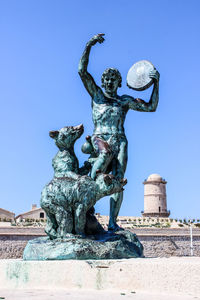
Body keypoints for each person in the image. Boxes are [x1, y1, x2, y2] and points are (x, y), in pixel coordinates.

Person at [78, 33, 160, 231]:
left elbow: (151, 107)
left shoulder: (124, 101)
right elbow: (82, 70)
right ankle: (86, 197)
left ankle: (113, 223)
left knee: (118, 180)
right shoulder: (96, 95)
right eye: (106, 80)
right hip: (100, 138)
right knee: (101, 160)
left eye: (113, 80)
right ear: (102, 81)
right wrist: (89, 44)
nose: (108, 83)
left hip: (120, 140)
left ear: (119, 83)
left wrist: (156, 84)